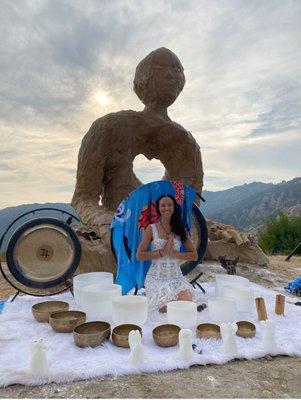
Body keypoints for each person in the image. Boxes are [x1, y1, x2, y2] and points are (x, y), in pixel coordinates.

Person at [136, 195, 198, 313]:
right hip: (156, 278)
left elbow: (194, 255)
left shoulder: (180, 229)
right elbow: (139, 255)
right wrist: (161, 253)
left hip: (176, 277)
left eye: (170, 205)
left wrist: (174, 254)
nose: (167, 208)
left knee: (186, 305)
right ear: (158, 208)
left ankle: (150, 297)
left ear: (174, 207)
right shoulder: (151, 228)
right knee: (167, 309)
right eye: (163, 205)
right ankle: (150, 294)